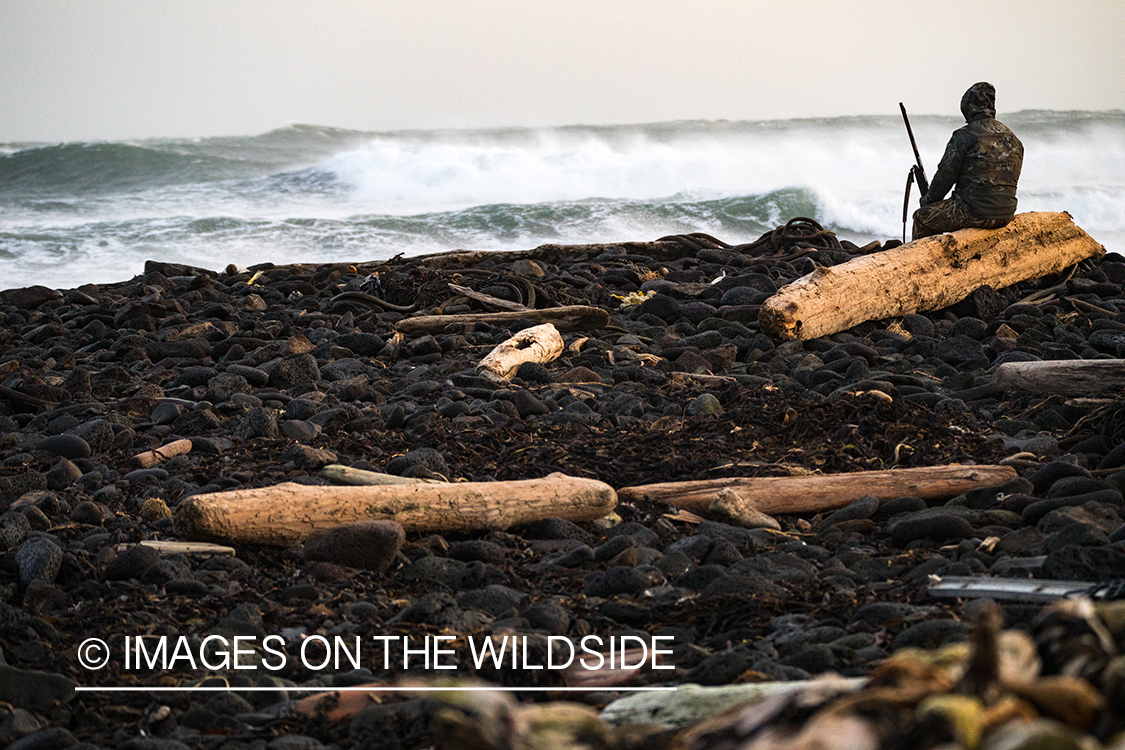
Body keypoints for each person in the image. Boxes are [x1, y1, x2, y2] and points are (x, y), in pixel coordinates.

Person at [912, 82, 1024, 240]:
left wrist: (928, 201)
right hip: (1006, 213)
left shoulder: (964, 136)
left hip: (973, 211)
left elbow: (945, 176)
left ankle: (923, 262)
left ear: (968, 106)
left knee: (922, 218)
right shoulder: (1013, 139)